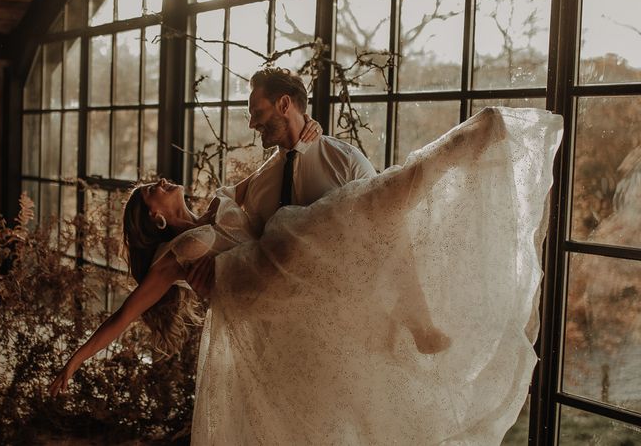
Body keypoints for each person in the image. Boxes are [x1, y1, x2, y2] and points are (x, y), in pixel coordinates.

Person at [50, 100, 563, 445]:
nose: (159, 181)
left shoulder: (217, 208)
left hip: (284, 273)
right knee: (363, 209)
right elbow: (123, 315)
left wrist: (305, 140)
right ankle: (458, 153)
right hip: (264, 279)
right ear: (157, 218)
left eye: (155, 181)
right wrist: (75, 362)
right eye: (152, 190)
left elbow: (270, 173)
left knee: (371, 215)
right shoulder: (173, 255)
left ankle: (466, 150)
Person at [186, 67, 379, 297]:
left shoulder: (346, 162)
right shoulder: (259, 185)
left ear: (284, 104)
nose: (252, 125)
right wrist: (215, 280)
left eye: (257, 113)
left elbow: (383, 234)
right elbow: (254, 259)